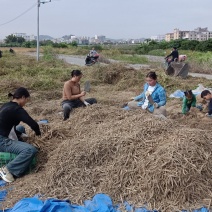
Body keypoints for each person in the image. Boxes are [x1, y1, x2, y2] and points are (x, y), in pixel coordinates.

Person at [0, 87, 41, 183]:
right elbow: (33, 124)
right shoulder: (17, 109)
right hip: (1, 140)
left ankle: (19, 143)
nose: (26, 103)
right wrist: (39, 134)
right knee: (30, 150)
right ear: (22, 97)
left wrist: (20, 134)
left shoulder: (6, 105)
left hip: (3, 132)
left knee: (21, 129)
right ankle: (7, 169)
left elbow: (7, 125)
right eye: (26, 100)